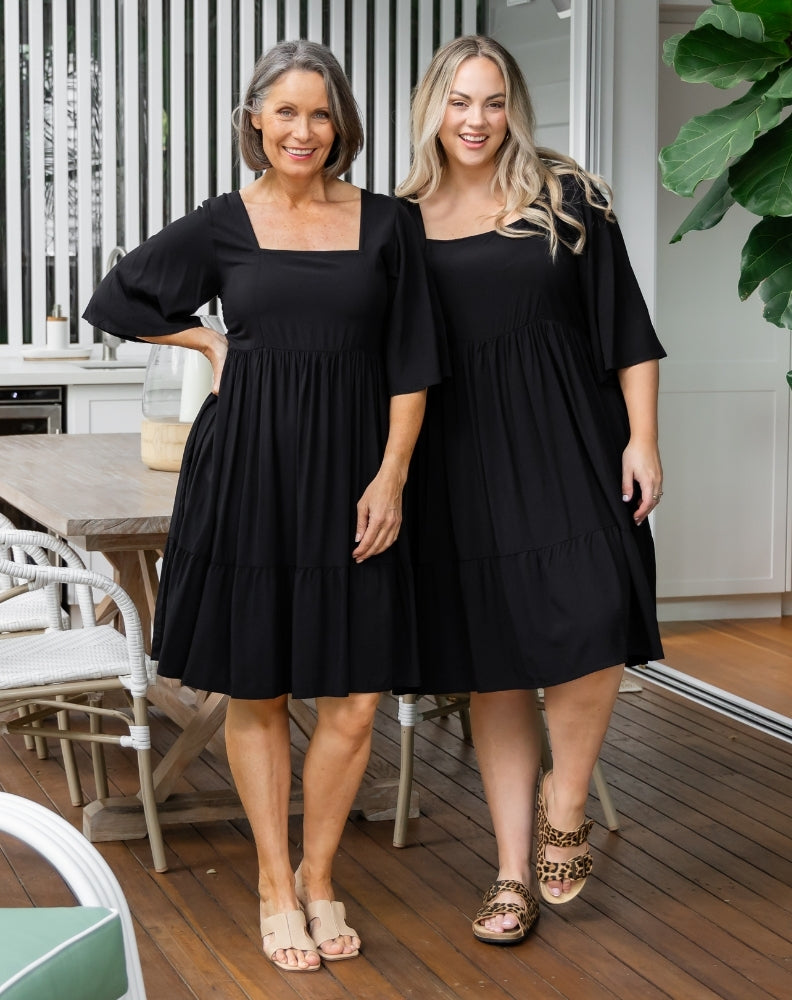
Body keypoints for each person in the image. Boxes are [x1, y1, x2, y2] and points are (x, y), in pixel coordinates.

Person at [84, 40, 442, 973]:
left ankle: (322, 877)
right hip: (249, 468)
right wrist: (205, 340)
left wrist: (393, 474)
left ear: (343, 125)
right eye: (284, 112)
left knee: (357, 694)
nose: (303, 130)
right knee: (260, 684)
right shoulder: (223, 222)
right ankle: (275, 883)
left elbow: (413, 360)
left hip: (358, 473)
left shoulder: (387, 223)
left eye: (320, 114)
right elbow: (115, 298)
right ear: (253, 121)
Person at [396, 35, 665, 944]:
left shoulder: (564, 195)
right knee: (495, 665)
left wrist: (644, 440)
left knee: (593, 617)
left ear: (514, 107)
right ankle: (511, 872)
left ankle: (568, 798)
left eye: (494, 101)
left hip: (569, 441)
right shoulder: (399, 221)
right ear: (433, 105)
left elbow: (626, 325)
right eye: (460, 101)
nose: (477, 120)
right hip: (456, 461)